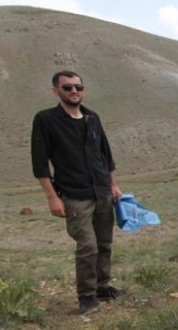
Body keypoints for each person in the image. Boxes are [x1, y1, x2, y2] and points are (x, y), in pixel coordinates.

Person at [31, 70, 124, 316]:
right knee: (87, 245)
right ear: (56, 91)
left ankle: (103, 286)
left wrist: (113, 185)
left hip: (102, 190)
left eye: (78, 87)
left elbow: (105, 155)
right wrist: (52, 197)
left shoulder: (93, 118)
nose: (74, 91)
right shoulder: (45, 119)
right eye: (68, 87)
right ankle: (86, 297)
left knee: (104, 243)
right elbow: (40, 163)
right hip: (74, 193)